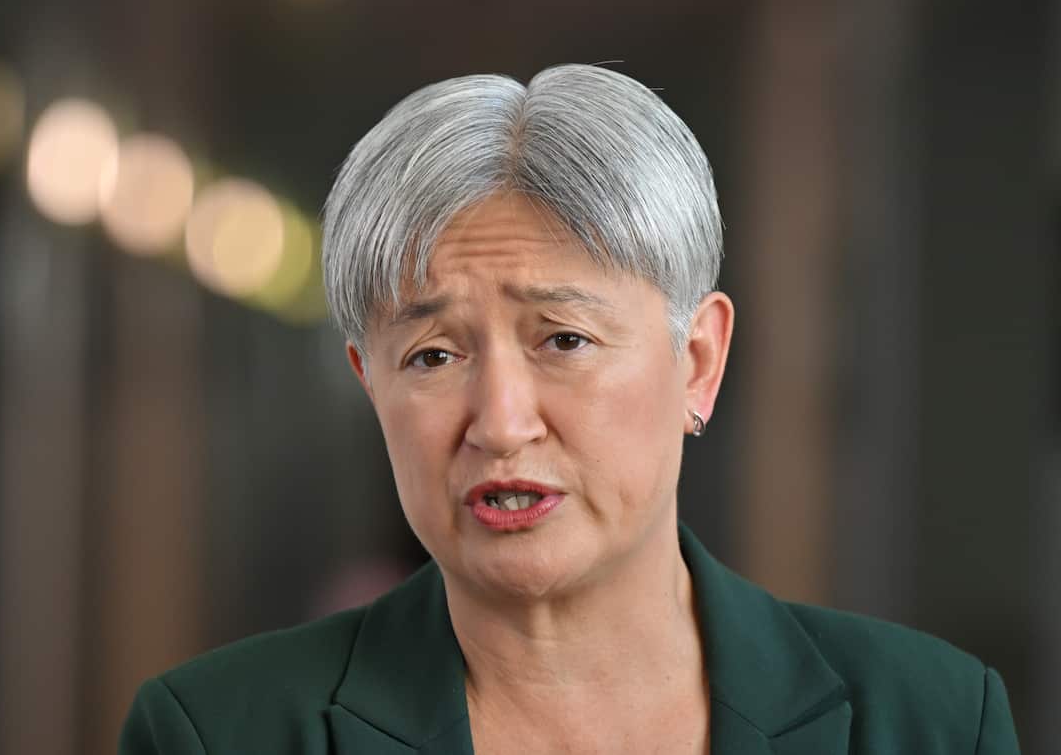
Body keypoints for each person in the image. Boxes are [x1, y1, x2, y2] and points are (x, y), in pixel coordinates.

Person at [119, 65, 1020, 754]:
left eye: (564, 340)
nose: (503, 422)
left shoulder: (930, 718)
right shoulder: (218, 731)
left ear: (697, 362)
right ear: (369, 383)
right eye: (433, 355)